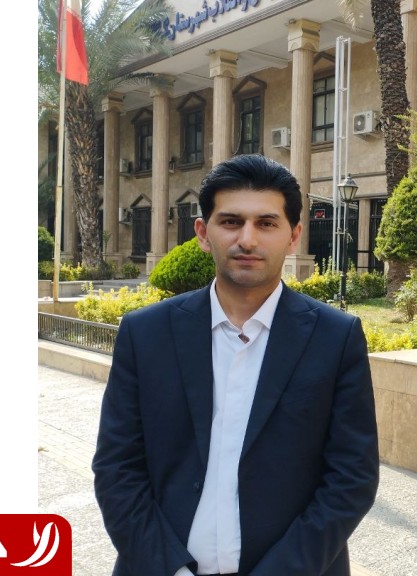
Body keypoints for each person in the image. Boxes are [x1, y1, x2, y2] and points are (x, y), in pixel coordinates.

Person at [92, 154, 379, 576]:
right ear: (203, 233)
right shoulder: (146, 333)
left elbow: (351, 478)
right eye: (230, 222)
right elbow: (117, 468)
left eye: (266, 223)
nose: (247, 239)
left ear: (293, 236)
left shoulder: (335, 338)